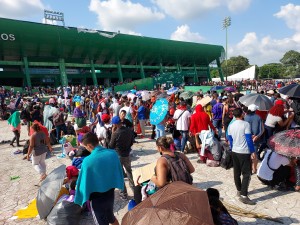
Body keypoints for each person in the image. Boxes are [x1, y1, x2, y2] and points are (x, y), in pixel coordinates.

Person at [74, 132, 124, 225]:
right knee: (110, 216)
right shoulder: (112, 153)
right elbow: (117, 171)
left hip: (97, 199)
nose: (86, 149)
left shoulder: (87, 161)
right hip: (110, 194)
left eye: (85, 147)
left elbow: (83, 182)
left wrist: (79, 196)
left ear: (89, 145)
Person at [227, 108, 256, 205]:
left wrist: (232, 148)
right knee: (247, 174)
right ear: (242, 114)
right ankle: (244, 195)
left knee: (237, 172)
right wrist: (252, 151)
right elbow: (248, 139)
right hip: (244, 152)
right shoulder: (246, 124)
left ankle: (239, 190)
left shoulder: (231, 125)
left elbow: (230, 139)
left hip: (235, 151)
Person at [109, 116, 135, 200]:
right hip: (127, 154)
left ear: (115, 124)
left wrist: (112, 133)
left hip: (118, 155)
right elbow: (131, 142)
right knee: (129, 172)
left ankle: (123, 194)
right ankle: (134, 189)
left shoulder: (116, 133)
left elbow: (110, 146)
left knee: (120, 174)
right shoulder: (129, 130)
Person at [244, 104, 264, 173]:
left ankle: (248, 168)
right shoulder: (258, 117)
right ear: (255, 110)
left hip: (247, 137)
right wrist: (257, 136)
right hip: (255, 138)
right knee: (254, 154)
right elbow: (262, 130)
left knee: (247, 153)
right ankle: (254, 168)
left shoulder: (245, 117)